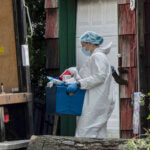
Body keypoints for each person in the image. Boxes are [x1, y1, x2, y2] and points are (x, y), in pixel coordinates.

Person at [66, 31, 115, 138]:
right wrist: (76, 74)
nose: (84, 49)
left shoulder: (98, 56)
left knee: (84, 133)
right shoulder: (96, 56)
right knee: (98, 134)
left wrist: (78, 83)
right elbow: (89, 78)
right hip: (97, 99)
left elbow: (100, 76)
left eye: (84, 46)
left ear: (90, 43)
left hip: (96, 100)